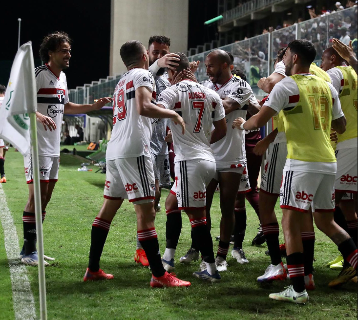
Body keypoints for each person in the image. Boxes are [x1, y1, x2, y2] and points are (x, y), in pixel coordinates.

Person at [233, 39, 357, 304]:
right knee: (326, 221)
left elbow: (259, 120)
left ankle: (298, 289)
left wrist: (244, 124)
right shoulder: (325, 86)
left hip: (301, 162)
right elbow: (342, 125)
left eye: (287, 54)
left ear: (295, 57)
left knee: (289, 222)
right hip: (327, 161)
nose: (284, 58)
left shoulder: (287, 86)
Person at [83, 40, 191, 288]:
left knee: (108, 209)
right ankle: (159, 275)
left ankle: (93, 268)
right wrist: (173, 114)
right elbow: (144, 107)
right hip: (134, 150)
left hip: (115, 150)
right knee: (147, 213)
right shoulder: (143, 74)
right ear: (145, 55)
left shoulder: (123, 79)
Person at [20, 31, 112, 266]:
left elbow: (66, 106)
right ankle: (28, 251)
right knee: (37, 198)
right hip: (36, 145)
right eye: (64, 50)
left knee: (46, 198)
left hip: (53, 148)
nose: (68, 54)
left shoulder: (61, 78)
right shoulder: (40, 74)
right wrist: (39, 116)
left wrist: (92, 106)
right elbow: (21, 104)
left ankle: (33, 249)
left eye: (69, 50)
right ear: (51, 53)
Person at [180, 49, 260, 271]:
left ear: (225, 65)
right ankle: (198, 248)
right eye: (206, 66)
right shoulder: (206, 85)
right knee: (200, 206)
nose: (208, 70)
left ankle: (222, 257)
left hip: (231, 154)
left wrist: (206, 100)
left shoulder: (240, 86)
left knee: (228, 206)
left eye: (212, 66)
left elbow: (224, 107)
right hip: (206, 152)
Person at [160, 52, 227, 282]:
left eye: (168, 73)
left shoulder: (172, 91)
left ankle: (211, 270)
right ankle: (168, 258)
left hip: (189, 161)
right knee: (171, 203)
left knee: (197, 217)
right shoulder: (211, 94)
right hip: (206, 159)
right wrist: (200, 143)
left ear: (172, 72)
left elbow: (155, 109)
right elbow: (222, 129)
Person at [134, 35, 181, 267]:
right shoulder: (143, 74)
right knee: (149, 198)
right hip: (143, 145)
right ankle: (142, 249)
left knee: (155, 198)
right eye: (156, 53)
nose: (161, 57)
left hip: (161, 145)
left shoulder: (168, 81)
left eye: (165, 53)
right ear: (148, 54)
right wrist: (157, 65)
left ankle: (146, 246)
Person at [321, 46, 358, 286]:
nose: (322, 66)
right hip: (351, 143)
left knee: (329, 204)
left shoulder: (335, 74)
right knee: (348, 205)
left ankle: (351, 263)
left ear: (333, 59)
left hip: (347, 144)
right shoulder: (355, 72)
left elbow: (324, 99)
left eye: (323, 60)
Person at [0, 84, 7, 183]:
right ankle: (3, 175)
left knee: (0, 155)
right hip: (7, 129)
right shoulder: (7, 100)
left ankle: (3, 175)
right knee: (2, 154)